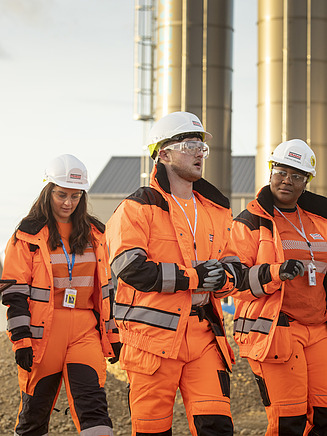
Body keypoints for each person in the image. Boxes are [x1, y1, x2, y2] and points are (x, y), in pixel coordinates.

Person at [106, 111, 243, 436]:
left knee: (217, 427)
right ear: (163, 153)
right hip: (152, 342)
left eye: (202, 147)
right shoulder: (137, 208)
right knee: (153, 431)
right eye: (191, 144)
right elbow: (129, 268)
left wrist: (222, 279)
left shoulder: (216, 210)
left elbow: (235, 266)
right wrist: (195, 277)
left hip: (203, 335)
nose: (200, 152)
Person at [1, 154, 120, 436]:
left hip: (84, 332)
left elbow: (105, 291)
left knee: (94, 407)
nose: (68, 203)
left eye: (76, 196)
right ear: (47, 191)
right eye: (61, 194)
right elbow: (15, 291)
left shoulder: (95, 235)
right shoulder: (27, 235)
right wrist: (21, 340)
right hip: (44, 335)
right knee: (34, 416)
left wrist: (113, 335)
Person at [231, 139, 327, 435]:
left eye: (296, 175)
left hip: (319, 328)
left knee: (323, 416)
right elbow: (232, 281)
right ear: (270, 172)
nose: (286, 181)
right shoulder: (250, 222)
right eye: (281, 172)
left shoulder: (320, 221)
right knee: (289, 420)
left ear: (306, 181)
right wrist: (275, 273)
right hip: (277, 330)